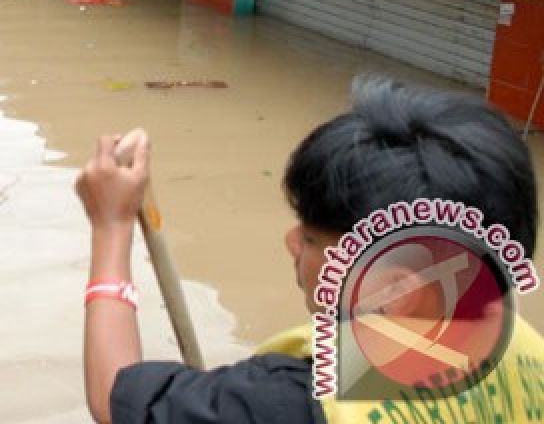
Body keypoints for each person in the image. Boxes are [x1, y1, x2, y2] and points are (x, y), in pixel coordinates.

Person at [76, 76, 544, 423]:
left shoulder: (290, 402)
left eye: (314, 239)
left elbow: (113, 397)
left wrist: (112, 226)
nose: (291, 242)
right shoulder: (510, 337)